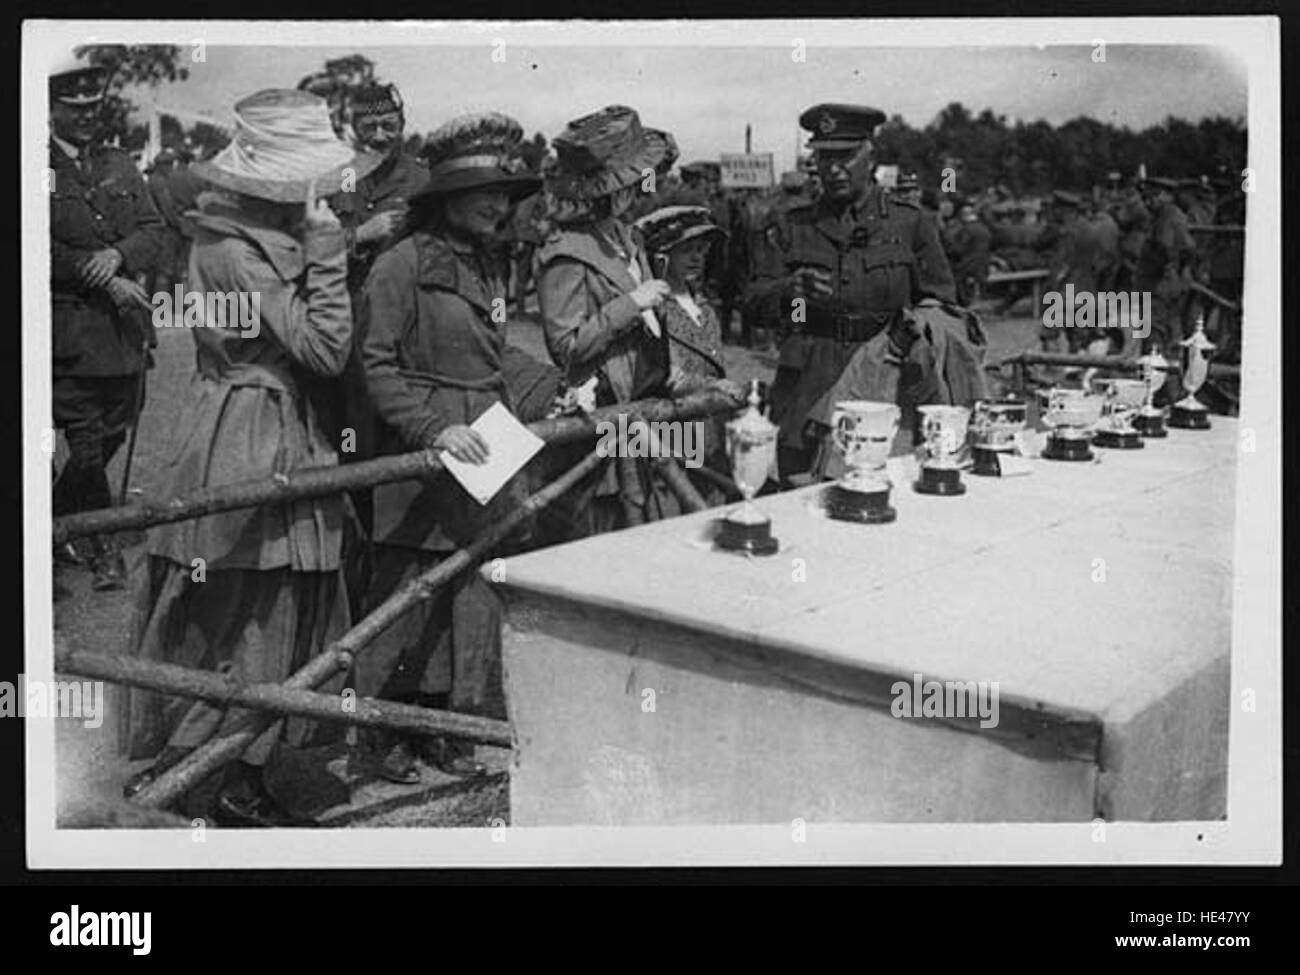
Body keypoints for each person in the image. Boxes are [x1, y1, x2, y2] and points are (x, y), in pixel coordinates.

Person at [123, 89, 380, 826]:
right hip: (254, 432)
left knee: (272, 612)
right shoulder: (237, 251)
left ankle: (235, 772)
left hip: (252, 422)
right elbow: (324, 350)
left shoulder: (236, 236)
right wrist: (329, 258)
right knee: (250, 614)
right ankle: (188, 775)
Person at [356, 112, 542, 782]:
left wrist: (553, 390)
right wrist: (431, 430)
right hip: (429, 458)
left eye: (507, 194)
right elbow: (375, 364)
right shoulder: (400, 264)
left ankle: (449, 723)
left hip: (487, 449)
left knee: (468, 590)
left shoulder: (489, 263)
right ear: (448, 199)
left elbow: (491, 360)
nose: (500, 204)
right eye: (485, 193)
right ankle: (384, 732)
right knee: (406, 596)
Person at [744, 103, 966, 481]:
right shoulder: (793, 225)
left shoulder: (910, 223)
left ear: (870, 156)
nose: (833, 168)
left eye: (845, 156)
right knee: (800, 488)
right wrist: (791, 294)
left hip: (888, 382)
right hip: (809, 383)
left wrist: (911, 336)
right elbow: (752, 304)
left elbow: (944, 305)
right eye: (824, 157)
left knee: (883, 482)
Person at [536, 104, 683, 533]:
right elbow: (567, 348)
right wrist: (631, 304)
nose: (643, 190)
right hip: (602, 416)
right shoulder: (566, 251)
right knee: (605, 529)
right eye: (635, 182)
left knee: (664, 511)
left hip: (648, 403)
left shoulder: (629, 236)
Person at [49, 57, 165, 590]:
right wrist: (96, 275)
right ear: (51, 109)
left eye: (93, 107)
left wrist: (119, 257)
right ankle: (102, 552)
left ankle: (52, 520)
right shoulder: (36, 163)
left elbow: (153, 229)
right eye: (74, 109)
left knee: (117, 430)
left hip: (124, 333)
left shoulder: (120, 164)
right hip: (68, 334)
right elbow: (35, 244)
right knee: (89, 442)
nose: (87, 116)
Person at [633, 205, 740, 494]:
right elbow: (668, 375)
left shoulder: (703, 304)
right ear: (661, 257)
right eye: (687, 249)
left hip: (712, 431)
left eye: (702, 249)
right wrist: (716, 386)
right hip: (673, 435)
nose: (697, 257)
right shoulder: (652, 309)